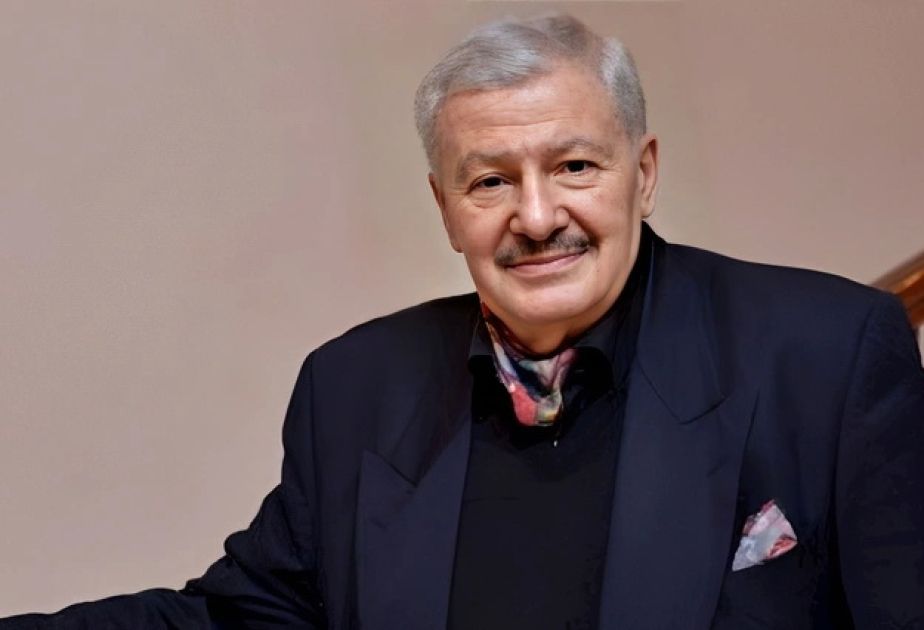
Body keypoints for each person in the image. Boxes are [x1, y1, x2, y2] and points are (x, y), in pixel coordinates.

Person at [2, 13, 923, 630]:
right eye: (490, 181)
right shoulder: (355, 386)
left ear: (643, 175)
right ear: (445, 208)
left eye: (574, 166)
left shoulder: (830, 354)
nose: (536, 216)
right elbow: (240, 619)